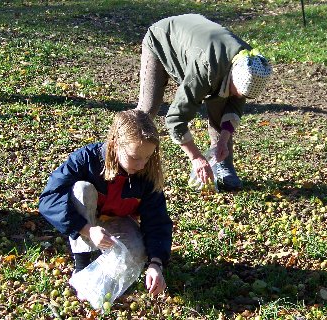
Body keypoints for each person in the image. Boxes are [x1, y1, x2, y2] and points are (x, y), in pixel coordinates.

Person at [38, 109, 173, 297]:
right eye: (135, 157)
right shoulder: (86, 159)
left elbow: (157, 221)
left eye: (148, 157)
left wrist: (156, 263)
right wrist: (87, 229)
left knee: (136, 252)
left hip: (118, 221)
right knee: (81, 189)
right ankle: (82, 264)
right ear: (114, 144)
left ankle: (98, 278)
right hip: (88, 222)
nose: (142, 164)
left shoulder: (146, 174)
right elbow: (48, 199)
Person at [137, 13, 273, 191]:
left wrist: (222, 143)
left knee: (222, 104)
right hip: (162, 38)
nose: (239, 97)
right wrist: (196, 158)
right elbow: (175, 119)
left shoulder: (250, 64)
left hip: (203, 47)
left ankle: (223, 165)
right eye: (238, 92)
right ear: (231, 77)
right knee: (147, 110)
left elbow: (232, 109)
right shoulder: (205, 70)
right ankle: (125, 157)